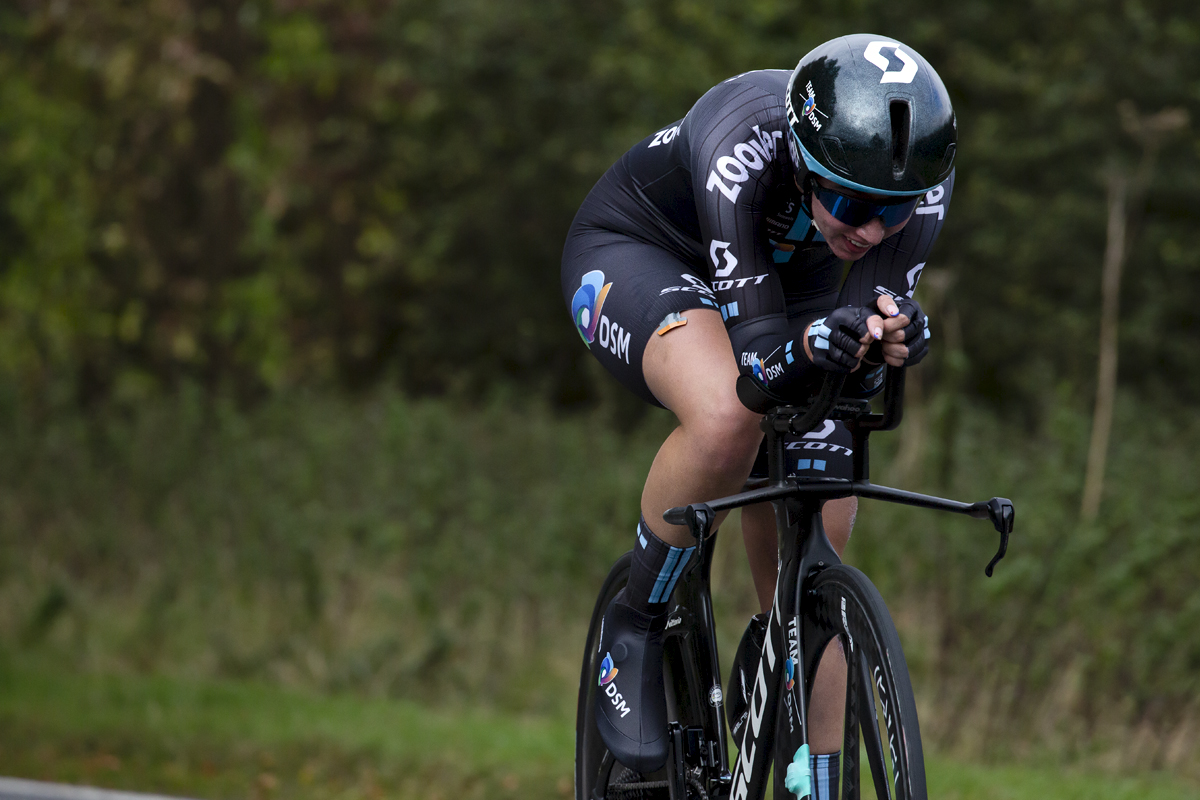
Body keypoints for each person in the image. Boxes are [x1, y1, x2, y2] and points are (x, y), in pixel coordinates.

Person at [561, 33, 956, 794]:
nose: (871, 231)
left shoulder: (922, 180)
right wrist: (806, 352)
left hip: (788, 280)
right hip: (648, 252)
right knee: (727, 415)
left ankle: (816, 771)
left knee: (827, 454)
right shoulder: (741, 136)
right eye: (850, 204)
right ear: (806, 162)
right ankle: (635, 625)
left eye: (893, 214)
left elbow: (865, 318)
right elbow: (763, 359)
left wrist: (890, 334)